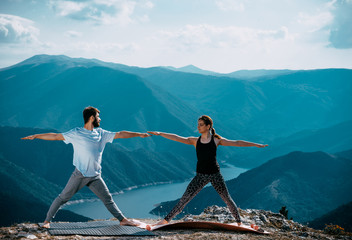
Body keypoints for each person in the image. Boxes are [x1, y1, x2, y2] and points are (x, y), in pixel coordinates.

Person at [22, 106, 151, 228]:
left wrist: (139, 134)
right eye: (98, 116)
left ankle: (123, 220)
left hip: (95, 176)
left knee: (108, 199)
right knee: (63, 198)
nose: (100, 119)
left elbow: (120, 134)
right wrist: (36, 136)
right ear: (91, 118)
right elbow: (56, 136)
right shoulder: (76, 133)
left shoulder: (101, 133)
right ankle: (47, 221)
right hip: (80, 174)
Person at [148, 115, 268, 226]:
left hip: (215, 175)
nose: (198, 127)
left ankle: (239, 223)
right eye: (198, 124)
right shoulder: (195, 140)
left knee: (227, 199)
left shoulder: (216, 140)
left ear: (208, 126)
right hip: (200, 176)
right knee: (184, 199)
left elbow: (237, 143)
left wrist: (255, 144)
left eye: (200, 124)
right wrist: (160, 133)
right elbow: (177, 138)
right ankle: (165, 221)